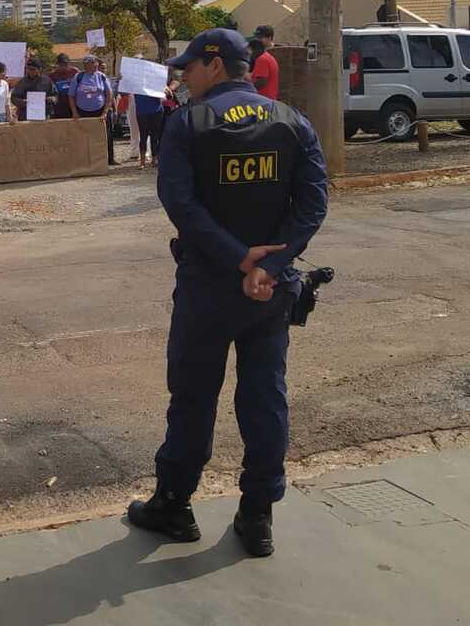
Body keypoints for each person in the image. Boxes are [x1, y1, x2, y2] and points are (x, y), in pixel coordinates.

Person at [127, 28, 328, 558]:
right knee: (265, 398)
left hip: (209, 286)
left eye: (188, 69)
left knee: (193, 396)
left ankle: (174, 503)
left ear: (214, 66)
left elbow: (181, 205)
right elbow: (312, 206)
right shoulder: (292, 121)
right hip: (270, 291)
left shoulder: (188, 123)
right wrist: (273, 263)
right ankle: (258, 514)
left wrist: (239, 258)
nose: (183, 78)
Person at [68, 54, 116, 165]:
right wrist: (74, 112)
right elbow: (71, 96)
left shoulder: (102, 76)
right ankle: (85, 160)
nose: (96, 65)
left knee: (106, 135)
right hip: (82, 111)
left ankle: (110, 159)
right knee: (84, 137)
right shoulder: (78, 77)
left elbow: (109, 95)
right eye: (93, 63)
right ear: (86, 65)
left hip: (100, 111)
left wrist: (105, 112)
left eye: (97, 63)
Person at [130, 89, 164, 166]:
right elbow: (123, 92)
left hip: (156, 110)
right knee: (143, 136)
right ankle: (143, 162)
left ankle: (154, 160)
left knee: (154, 136)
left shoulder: (154, 79)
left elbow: (167, 93)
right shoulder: (135, 82)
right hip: (142, 111)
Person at [252, 25, 280, 101]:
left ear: (270, 38)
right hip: (271, 101)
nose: (257, 40)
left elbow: (261, 82)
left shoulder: (262, 58)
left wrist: (246, 88)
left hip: (263, 102)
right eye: (256, 37)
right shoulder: (264, 56)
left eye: (261, 38)